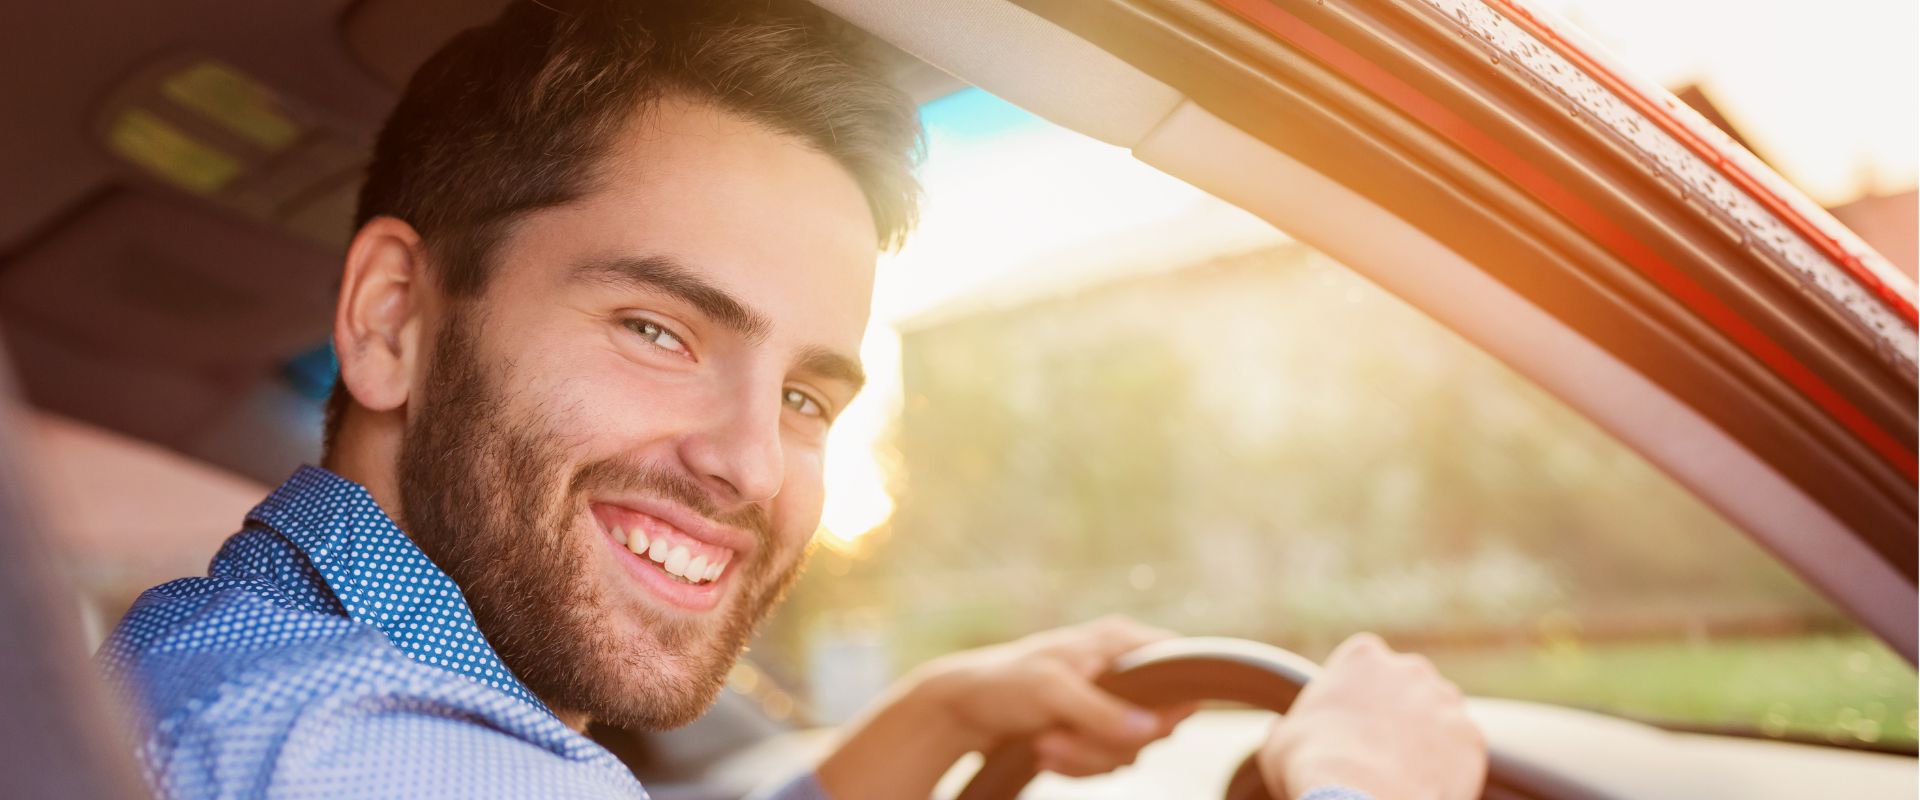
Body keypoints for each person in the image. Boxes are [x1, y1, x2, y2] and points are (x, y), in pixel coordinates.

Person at [98, 1, 1487, 797]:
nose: (753, 464)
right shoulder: (368, 755)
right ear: (393, 319)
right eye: (657, 327)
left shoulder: (259, 667)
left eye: (812, 396)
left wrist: (936, 718)